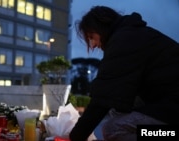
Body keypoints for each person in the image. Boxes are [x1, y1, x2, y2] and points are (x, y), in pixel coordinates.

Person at [69, 5, 179, 141]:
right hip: (166, 104)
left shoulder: (124, 41)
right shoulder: (133, 35)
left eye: (92, 37)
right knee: (117, 111)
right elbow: (115, 97)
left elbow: (103, 97)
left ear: (101, 28)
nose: (92, 45)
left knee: (113, 129)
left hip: (172, 110)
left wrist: (75, 137)